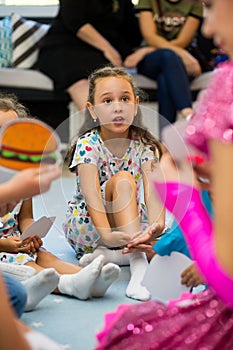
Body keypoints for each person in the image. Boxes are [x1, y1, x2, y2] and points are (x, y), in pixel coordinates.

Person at [94, 0, 233, 348]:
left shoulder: (225, 93)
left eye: (213, 7)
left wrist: (180, 201)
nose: (207, 29)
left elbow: (227, 269)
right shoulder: (90, 146)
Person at [0, 93, 120, 302]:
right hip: (4, 250)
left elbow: (25, 217)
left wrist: (30, 233)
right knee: (28, 266)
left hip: (18, 243)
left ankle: (87, 280)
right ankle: (66, 285)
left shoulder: (24, 175)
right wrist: (7, 245)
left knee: (46, 257)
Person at [63, 65, 165, 301]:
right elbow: (92, 198)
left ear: (135, 105)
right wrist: (107, 235)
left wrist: (157, 225)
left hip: (127, 224)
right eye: (107, 101)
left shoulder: (144, 145)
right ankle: (137, 267)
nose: (118, 107)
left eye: (125, 99)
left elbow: (153, 193)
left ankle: (112, 256)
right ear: (93, 110)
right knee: (123, 180)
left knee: (167, 246)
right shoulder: (88, 144)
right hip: (92, 225)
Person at [37, 0, 143, 111]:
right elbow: (74, 20)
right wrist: (108, 49)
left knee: (108, 81)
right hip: (62, 48)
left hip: (98, 54)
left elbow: (133, 35)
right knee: (84, 81)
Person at [131, 0, 203, 130]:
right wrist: (182, 53)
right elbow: (149, 36)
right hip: (152, 60)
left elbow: (183, 41)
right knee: (168, 56)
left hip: (179, 63)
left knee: (165, 78)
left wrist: (154, 48)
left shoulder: (194, 3)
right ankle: (188, 112)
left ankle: (164, 144)